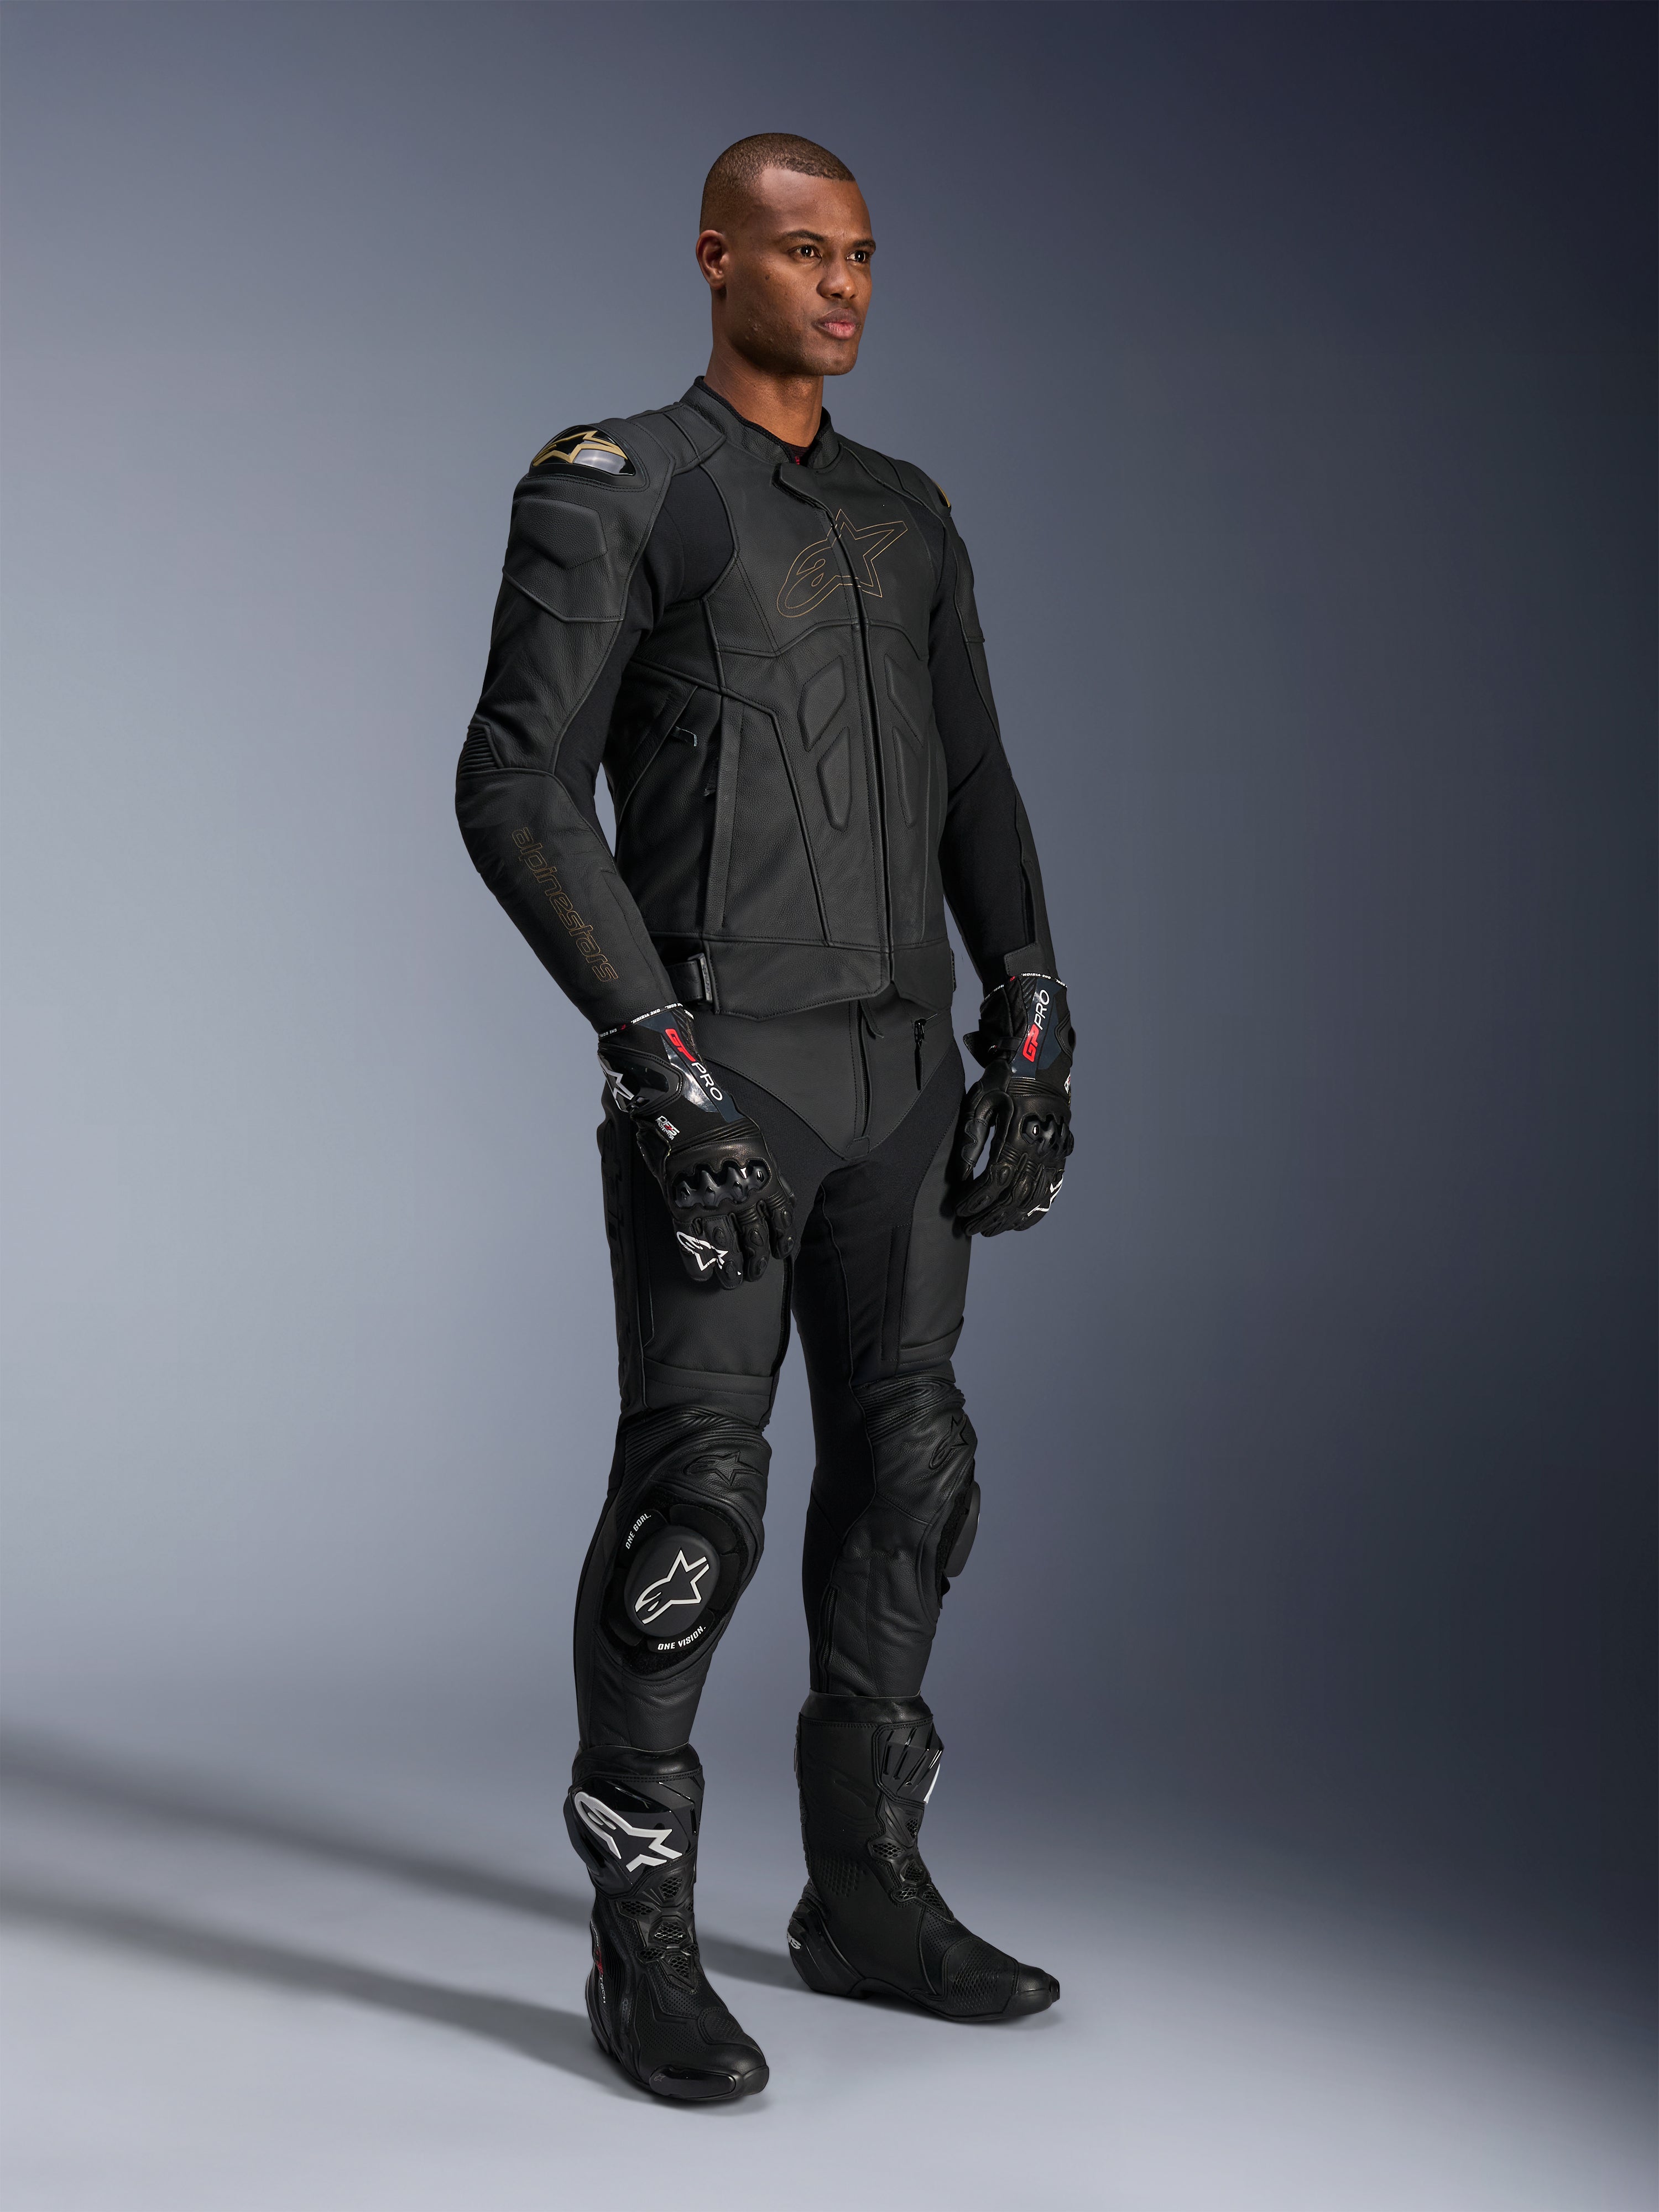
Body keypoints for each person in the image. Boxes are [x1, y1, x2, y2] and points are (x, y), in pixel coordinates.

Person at [457, 132, 1074, 2101]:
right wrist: (658, 1061)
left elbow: (975, 781)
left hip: (905, 1075)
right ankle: (639, 1944)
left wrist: (1034, 1013)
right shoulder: (623, 486)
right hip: (731, 1075)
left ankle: (864, 1899)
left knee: (913, 1473)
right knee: (696, 1508)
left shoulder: (908, 511)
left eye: (864, 255)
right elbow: (515, 786)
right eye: (806, 253)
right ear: (718, 259)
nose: (845, 287)